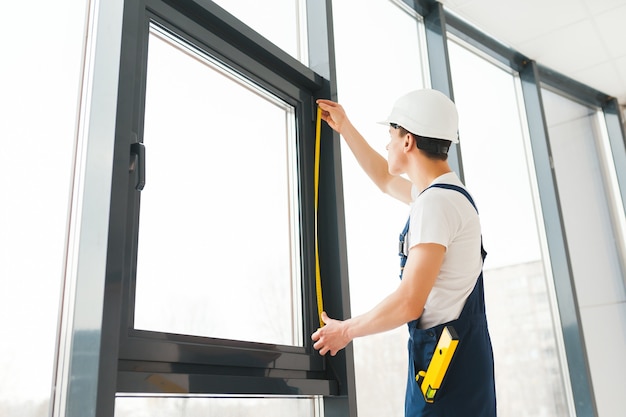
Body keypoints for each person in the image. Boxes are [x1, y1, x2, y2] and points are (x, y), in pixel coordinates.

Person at [311, 89, 497, 416]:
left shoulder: (435, 204)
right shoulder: (448, 195)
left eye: (391, 135)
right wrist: (346, 128)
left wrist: (345, 331)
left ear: (408, 141)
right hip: (455, 364)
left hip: (446, 375)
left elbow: (410, 301)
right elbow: (384, 179)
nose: (388, 145)